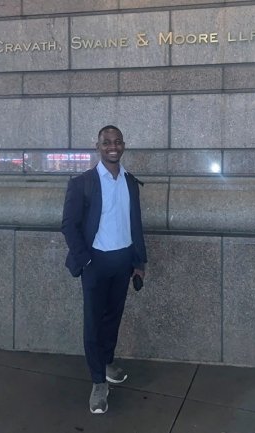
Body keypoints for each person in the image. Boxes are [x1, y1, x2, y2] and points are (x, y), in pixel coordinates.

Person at [61, 125, 147, 414]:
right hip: (95, 263)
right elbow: (69, 225)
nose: (113, 146)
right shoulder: (83, 182)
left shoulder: (130, 182)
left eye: (117, 141)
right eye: (107, 142)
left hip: (122, 261)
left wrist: (139, 262)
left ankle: (107, 362)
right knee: (94, 323)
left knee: (113, 318)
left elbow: (135, 224)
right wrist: (85, 260)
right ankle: (98, 382)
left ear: (124, 145)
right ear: (97, 146)